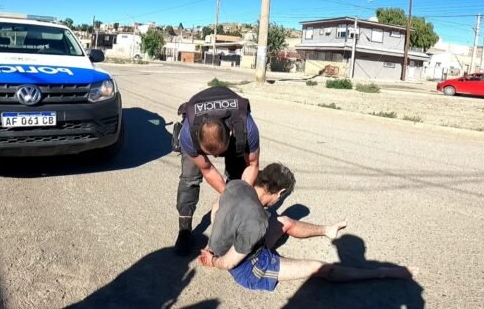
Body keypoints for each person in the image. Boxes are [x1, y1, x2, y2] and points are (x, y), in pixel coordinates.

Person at [198, 163, 414, 291]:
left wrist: (214, 244)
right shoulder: (257, 220)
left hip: (239, 244)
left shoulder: (236, 185)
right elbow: (228, 263)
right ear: (280, 193)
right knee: (319, 268)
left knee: (285, 221)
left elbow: (216, 208)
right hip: (250, 268)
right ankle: (381, 274)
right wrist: (213, 260)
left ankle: (327, 229)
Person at [173, 86, 261, 256]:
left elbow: (253, 164)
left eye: (218, 153)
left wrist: (240, 195)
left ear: (230, 133)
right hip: (197, 129)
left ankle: (235, 225)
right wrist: (229, 195)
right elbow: (207, 169)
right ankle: (184, 231)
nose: (215, 157)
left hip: (235, 132)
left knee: (237, 179)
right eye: (210, 153)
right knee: (189, 178)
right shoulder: (188, 136)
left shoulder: (246, 128)